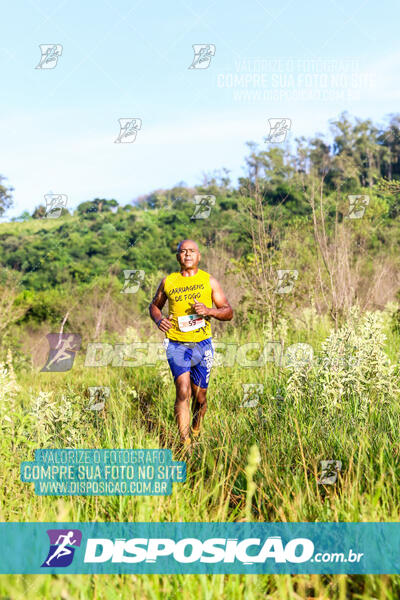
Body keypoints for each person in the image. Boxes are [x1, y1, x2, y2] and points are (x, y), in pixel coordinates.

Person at [149, 239, 233, 454]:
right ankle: (184, 443)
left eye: (192, 251)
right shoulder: (168, 282)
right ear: (178, 256)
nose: (187, 255)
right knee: (183, 391)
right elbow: (154, 306)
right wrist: (159, 320)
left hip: (202, 345)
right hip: (177, 344)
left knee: (200, 397)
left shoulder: (209, 281)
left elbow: (228, 311)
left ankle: (196, 429)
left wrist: (209, 311)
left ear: (199, 256)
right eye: (183, 251)